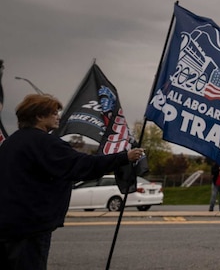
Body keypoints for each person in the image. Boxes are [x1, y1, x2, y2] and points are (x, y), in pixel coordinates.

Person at [0, 94, 144, 270]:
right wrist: (124, 157)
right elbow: (82, 166)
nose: (58, 117)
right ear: (38, 116)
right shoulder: (44, 143)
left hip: (7, 225)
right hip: (29, 229)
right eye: (53, 113)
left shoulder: (11, 142)